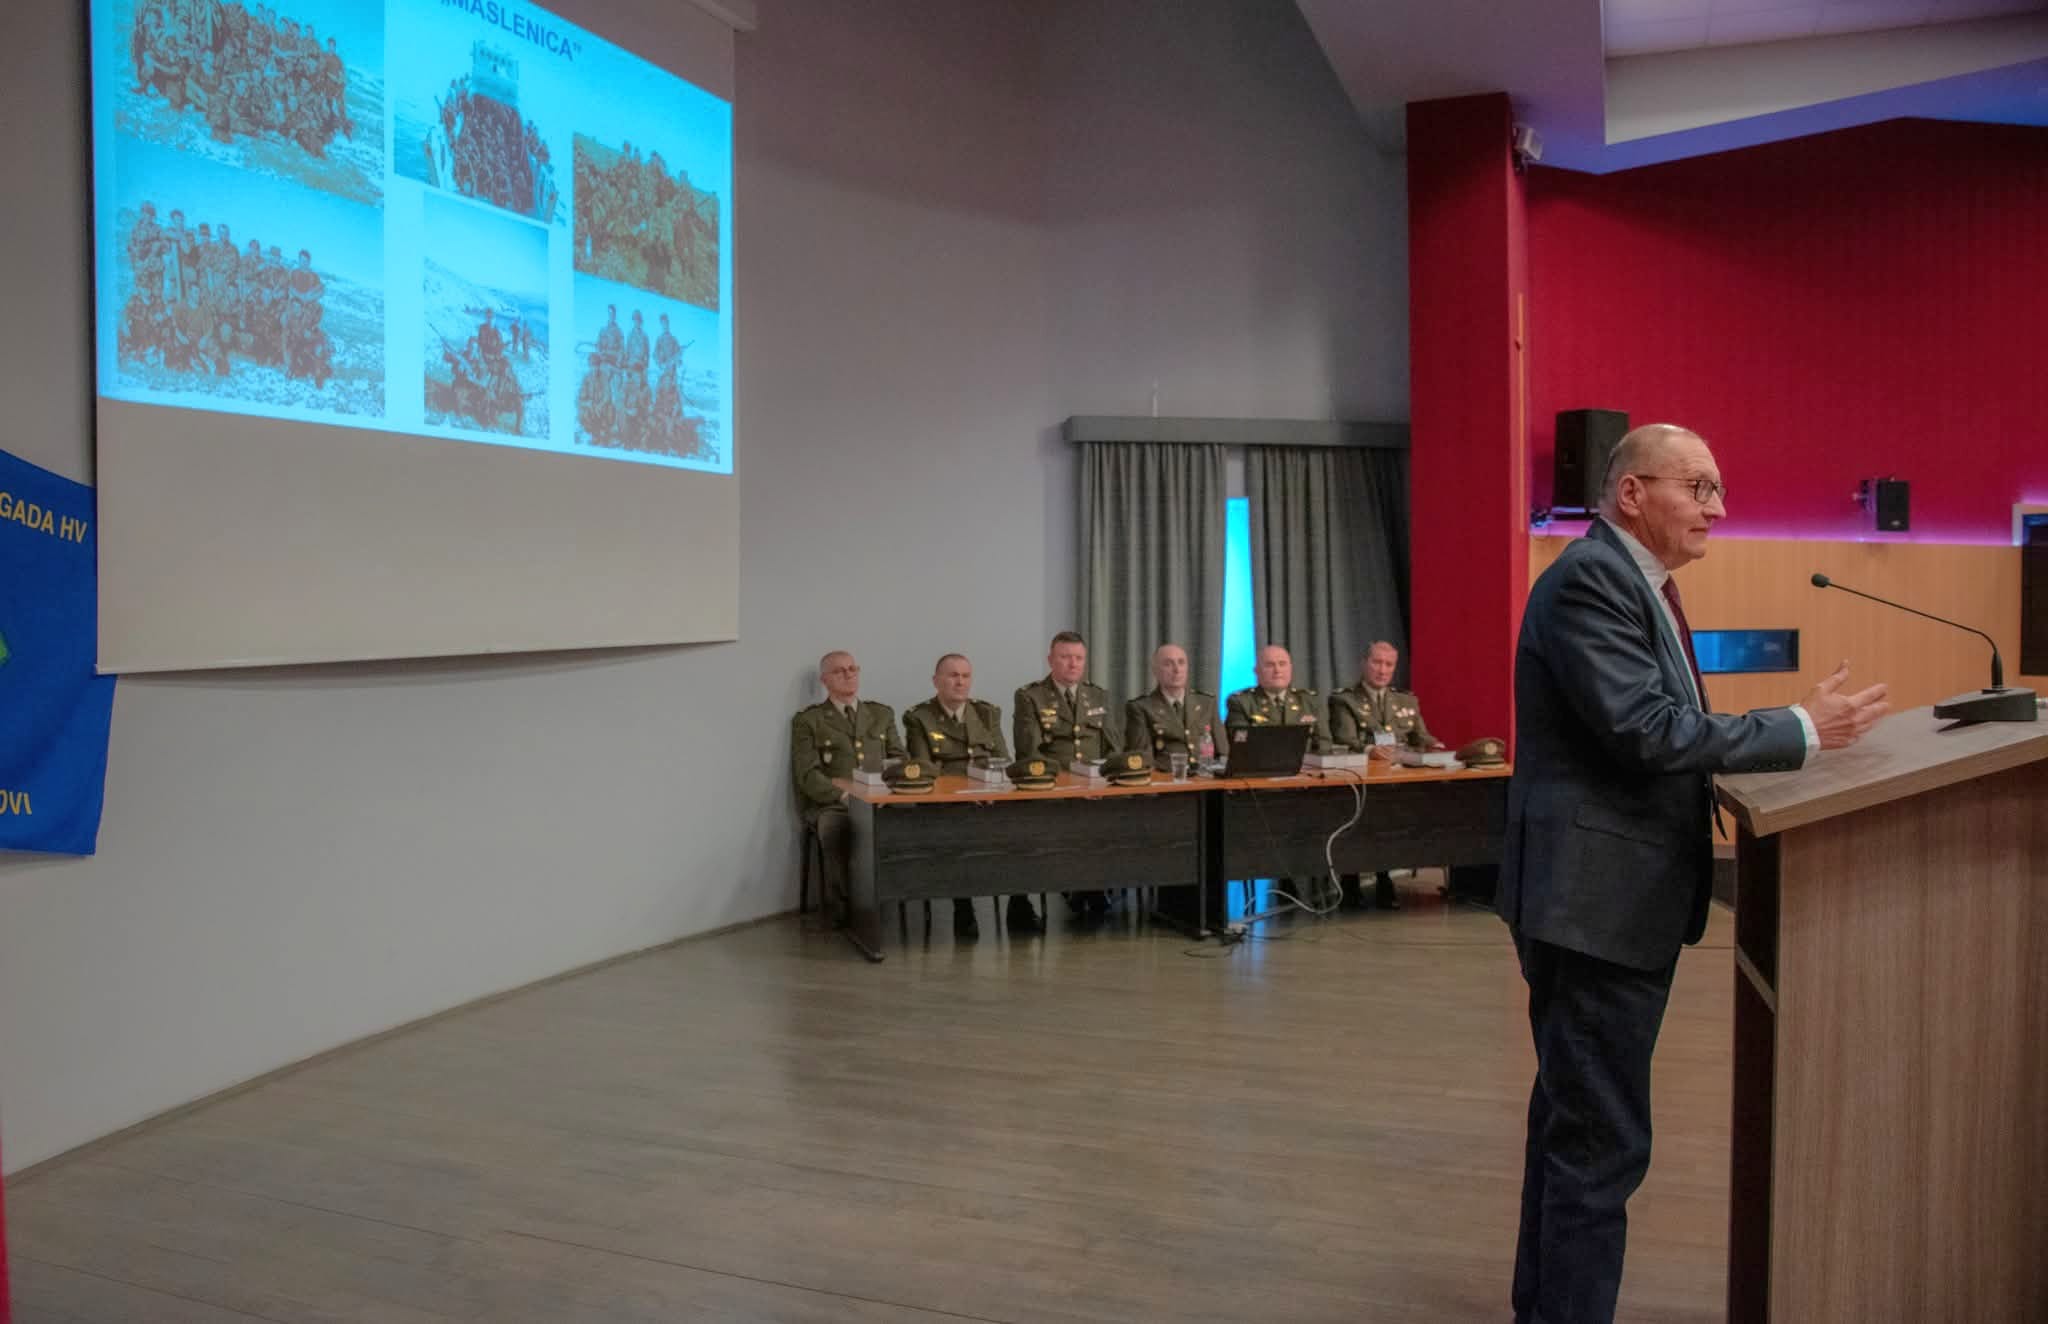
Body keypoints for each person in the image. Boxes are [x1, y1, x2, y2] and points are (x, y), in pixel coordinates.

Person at [1502, 423, 1887, 1324]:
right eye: (1699, 487)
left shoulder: (1639, 583)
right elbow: (1646, 732)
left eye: (1719, 489)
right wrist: (1797, 728)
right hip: (1593, 908)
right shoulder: (1593, 580)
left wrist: (1791, 732)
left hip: (1607, 903)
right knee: (1598, 1144)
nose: (1718, 507)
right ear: (1632, 492)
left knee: (1574, 1127)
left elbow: (1660, 729)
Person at [789, 651, 905, 926]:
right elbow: (808, 775)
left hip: (879, 799)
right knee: (834, 829)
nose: (848, 675)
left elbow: (900, 760)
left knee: (909, 822)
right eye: (839, 671)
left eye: (853, 669)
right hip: (834, 804)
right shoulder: (809, 721)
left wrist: (888, 790)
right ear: (825, 680)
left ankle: (890, 898)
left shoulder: (880, 714)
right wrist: (843, 796)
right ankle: (842, 907)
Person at [902, 653, 1012, 939]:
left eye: (965, 676)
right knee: (957, 831)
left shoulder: (987, 713)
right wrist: (965, 792)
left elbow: (1001, 761)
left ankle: (1020, 905)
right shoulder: (919, 717)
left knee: (1022, 828)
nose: (960, 682)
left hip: (987, 799)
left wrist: (990, 789)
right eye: (953, 676)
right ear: (936, 681)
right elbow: (925, 769)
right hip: (944, 805)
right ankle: (963, 907)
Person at [1328, 640, 1442, 909]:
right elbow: (1344, 738)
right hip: (1361, 780)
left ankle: (1384, 878)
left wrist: (1436, 746)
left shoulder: (1406, 700)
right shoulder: (1344, 699)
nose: (1382, 670)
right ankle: (1351, 881)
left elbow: (1420, 736)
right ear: (1364, 663)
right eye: (1377, 662)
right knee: (1362, 821)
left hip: (1397, 780)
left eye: (1389, 665)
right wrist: (1370, 750)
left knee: (1392, 821)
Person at [1012, 630, 1117, 919]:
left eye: (1078, 658)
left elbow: (1113, 748)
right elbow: (1029, 753)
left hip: (1095, 788)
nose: (1073, 664)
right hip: (1053, 789)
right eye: (1065, 657)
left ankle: (1092, 885)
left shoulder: (1098, 695)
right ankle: (1077, 886)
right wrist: (1067, 785)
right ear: (1051, 660)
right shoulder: (1030, 696)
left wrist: (1104, 781)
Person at [1225, 644, 1331, 906]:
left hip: (1303, 787)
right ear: (1257, 671)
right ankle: (1283, 876)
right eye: (1270, 665)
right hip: (1260, 791)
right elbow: (1240, 745)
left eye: (1282, 664)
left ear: (1291, 668)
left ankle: (1320, 880)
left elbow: (1324, 743)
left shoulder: (1308, 701)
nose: (1277, 670)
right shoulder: (1241, 702)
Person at [1123, 643, 1219, 771]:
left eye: (1181, 663)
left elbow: (1223, 753)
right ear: (1155, 671)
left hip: (1205, 778)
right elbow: (1143, 761)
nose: (1177, 670)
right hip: (1165, 779)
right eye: (1168, 664)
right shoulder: (1141, 707)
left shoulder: (1207, 703)